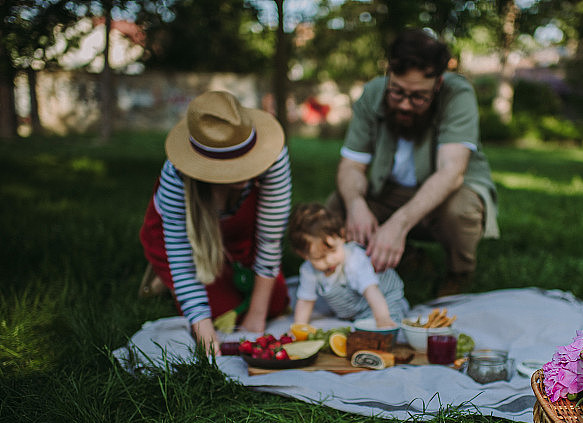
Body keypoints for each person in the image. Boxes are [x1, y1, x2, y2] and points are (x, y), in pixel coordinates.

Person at [327, 28, 499, 296]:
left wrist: (399, 224)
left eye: (418, 96)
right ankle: (408, 259)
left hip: (446, 193)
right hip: (390, 192)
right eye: (397, 92)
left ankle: (459, 274)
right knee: (337, 206)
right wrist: (356, 204)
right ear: (389, 74)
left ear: (438, 84)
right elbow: (351, 165)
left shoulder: (458, 94)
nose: (405, 105)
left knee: (459, 210)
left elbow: (451, 172)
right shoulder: (372, 93)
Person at [139, 90, 292, 355]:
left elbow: (270, 238)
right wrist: (204, 331)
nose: (245, 171)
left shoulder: (273, 155)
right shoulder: (175, 175)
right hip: (183, 244)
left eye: (248, 162)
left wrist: (256, 319)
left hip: (237, 235)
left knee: (275, 302)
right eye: (234, 166)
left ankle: (225, 268)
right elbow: (182, 259)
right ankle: (164, 279)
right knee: (218, 310)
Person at [288, 202, 409, 327]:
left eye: (333, 251)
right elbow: (305, 301)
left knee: (386, 327)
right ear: (304, 255)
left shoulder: (354, 259)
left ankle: (394, 314)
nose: (329, 260)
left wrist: (383, 319)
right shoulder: (308, 270)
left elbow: (371, 291)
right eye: (319, 257)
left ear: (342, 236)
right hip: (354, 312)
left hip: (384, 300)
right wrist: (299, 326)